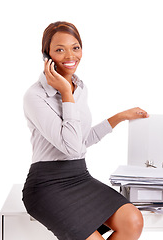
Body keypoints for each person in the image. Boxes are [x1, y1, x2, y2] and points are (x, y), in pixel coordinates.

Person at [22, 21, 148, 240]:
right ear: (47, 55)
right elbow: (70, 148)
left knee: (133, 220)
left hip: (80, 176)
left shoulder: (80, 88)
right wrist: (65, 92)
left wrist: (119, 117)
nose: (70, 55)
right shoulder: (35, 96)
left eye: (75, 47)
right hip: (46, 185)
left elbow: (80, 139)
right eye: (60, 49)